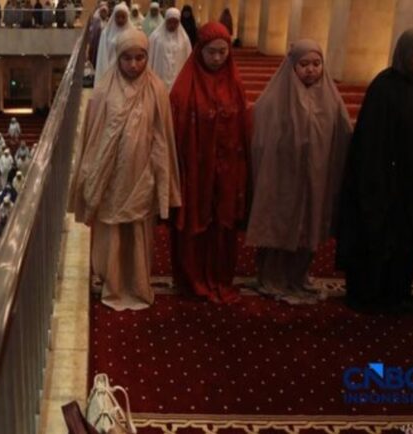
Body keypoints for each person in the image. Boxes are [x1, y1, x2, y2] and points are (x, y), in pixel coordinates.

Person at [72, 28, 180, 311]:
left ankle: (138, 286)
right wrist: (90, 178)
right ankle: (113, 285)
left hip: (143, 176)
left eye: (140, 58)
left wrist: (161, 178)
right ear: (117, 58)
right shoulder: (103, 91)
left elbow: (162, 139)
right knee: (112, 234)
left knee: (138, 233)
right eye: (127, 59)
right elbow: (93, 139)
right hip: (112, 179)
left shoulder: (157, 89)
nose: (134, 65)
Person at [336, 26, 413, 315]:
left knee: (408, 241)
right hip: (383, 181)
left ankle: (397, 292)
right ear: (405, 53)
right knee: (378, 238)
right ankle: (369, 293)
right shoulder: (384, 87)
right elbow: (371, 143)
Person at [246, 39, 352, 304]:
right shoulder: (273, 100)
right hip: (281, 178)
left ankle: (298, 276)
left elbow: (342, 137)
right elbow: (259, 140)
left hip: (315, 177)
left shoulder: (331, 100)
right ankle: (271, 277)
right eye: (304, 64)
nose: (311, 70)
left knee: (308, 226)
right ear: (292, 66)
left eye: (317, 64)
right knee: (279, 225)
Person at [170, 22, 250, 304]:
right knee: (195, 220)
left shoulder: (235, 84)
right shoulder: (185, 86)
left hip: (227, 168)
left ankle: (219, 277)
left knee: (222, 224)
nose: (217, 58)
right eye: (211, 52)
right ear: (199, 51)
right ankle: (192, 279)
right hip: (195, 169)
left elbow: (243, 129)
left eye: (223, 52)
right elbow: (175, 132)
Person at [148, 7, 192, 90]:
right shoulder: (156, 37)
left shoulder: (184, 40)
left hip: (177, 76)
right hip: (159, 75)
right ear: (165, 21)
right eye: (170, 22)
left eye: (175, 22)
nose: (172, 25)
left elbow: (188, 59)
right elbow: (149, 57)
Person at [93, 3, 133, 87]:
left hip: (128, 75)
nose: (120, 20)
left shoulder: (133, 34)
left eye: (123, 17)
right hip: (111, 74)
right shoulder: (106, 34)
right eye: (118, 17)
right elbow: (102, 57)